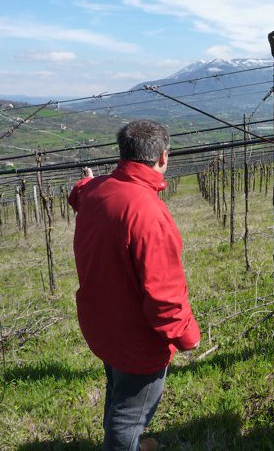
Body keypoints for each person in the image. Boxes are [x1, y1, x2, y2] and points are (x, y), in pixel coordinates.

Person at [69, 119, 201, 451]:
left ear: (124, 152)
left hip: (102, 324)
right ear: (163, 156)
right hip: (136, 340)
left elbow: (80, 192)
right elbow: (164, 297)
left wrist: (88, 182)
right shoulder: (149, 213)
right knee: (129, 417)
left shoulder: (97, 190)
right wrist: (188, 337)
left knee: (118, 393)